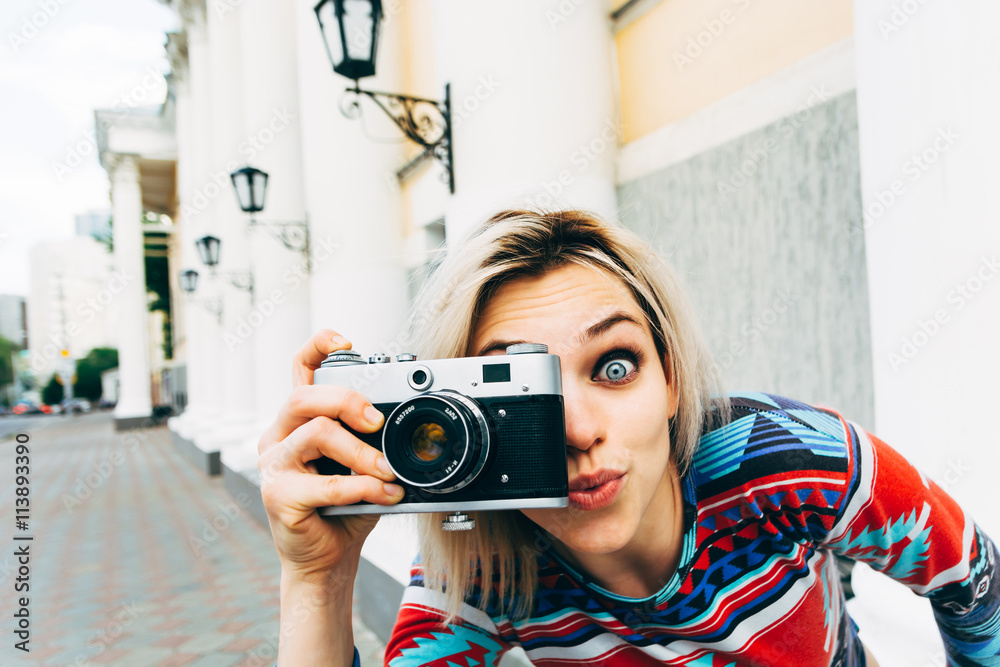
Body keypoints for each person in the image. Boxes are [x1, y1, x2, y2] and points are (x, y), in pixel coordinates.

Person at [257, 209, 1000, 666]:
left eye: (614, 366)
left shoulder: (793, 459)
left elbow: (970, 575)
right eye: (519, 399)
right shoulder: (484, 563)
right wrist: (318, 581)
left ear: (671, 379)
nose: (578, 430)